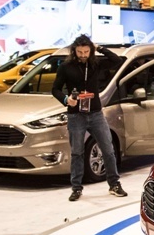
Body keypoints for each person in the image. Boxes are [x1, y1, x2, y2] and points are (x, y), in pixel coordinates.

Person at [52, 35, 127, 201]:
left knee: (108, 149)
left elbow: (117, 61)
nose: (83, 55)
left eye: (86, 52)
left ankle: (114, 184)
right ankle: (76, 188)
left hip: (96, 114)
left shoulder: (96, 64)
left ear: (91, 51)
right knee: (77, 152)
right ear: (74, 51)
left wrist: (99, 48)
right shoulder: (65, 67)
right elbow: (55, 89)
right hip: (75, 115)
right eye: (80, 52)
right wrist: (66, 99)